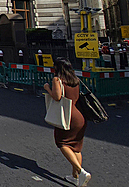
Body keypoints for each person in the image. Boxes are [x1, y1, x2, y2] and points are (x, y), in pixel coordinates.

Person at [43, 58, 90, 186]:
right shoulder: (75, 80)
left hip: (68, 116)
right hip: (80, 116)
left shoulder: (57, 80)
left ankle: (81, 172)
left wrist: (47, 88)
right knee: (76, 147)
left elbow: (57, 97)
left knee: (62, 142)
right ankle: (75, 177)